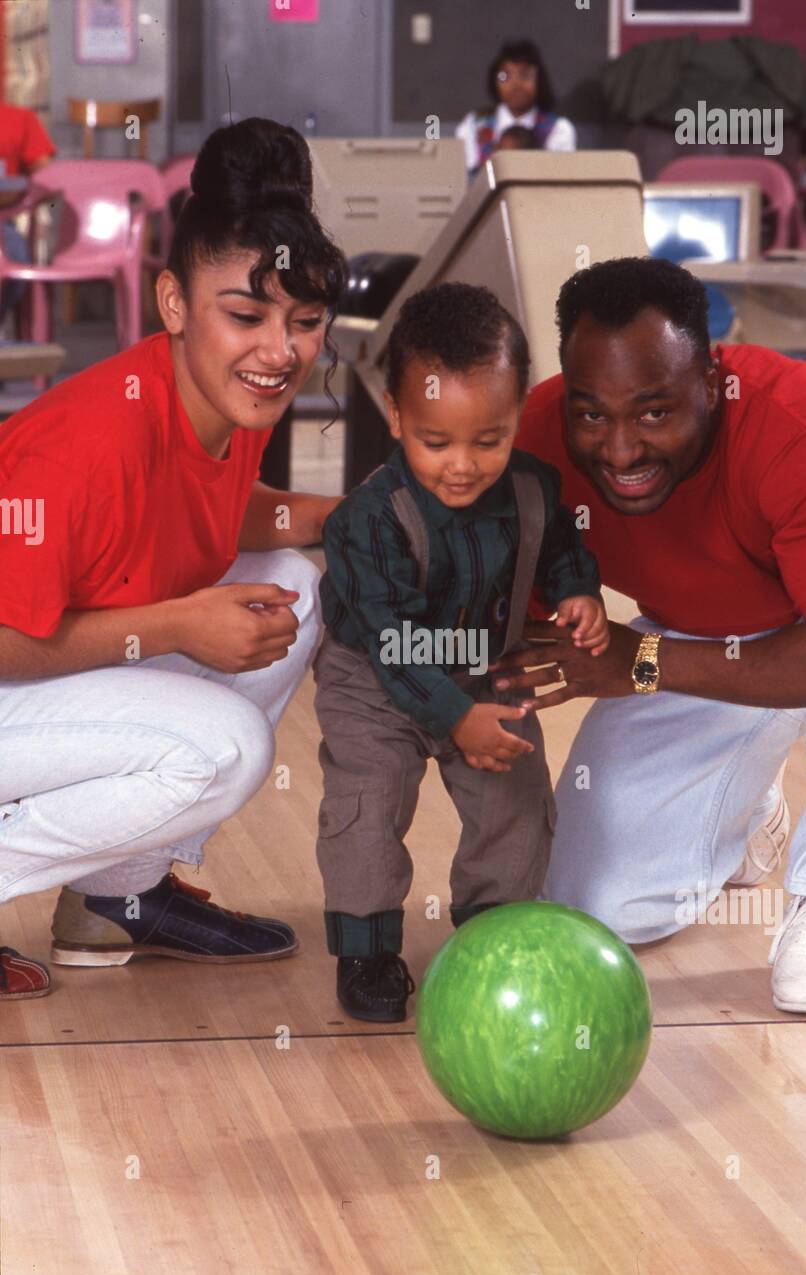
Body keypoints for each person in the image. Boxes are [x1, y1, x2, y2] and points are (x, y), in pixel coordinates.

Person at [0, 117, 346, 997]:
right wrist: (177, 627)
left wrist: (348, 516)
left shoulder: (216, 406)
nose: (279, 352)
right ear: (174, 305)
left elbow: (214, 510)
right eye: (246, 316)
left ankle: (117, 900)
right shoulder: (89, 441)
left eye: (304, 321)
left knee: (293, 588)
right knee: (222, 748)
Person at [489, 257, 806, 1016]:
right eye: (593, 413)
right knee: (597, 905)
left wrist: (642, 661)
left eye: (655, 412)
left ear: (711, 381)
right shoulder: (536, 438)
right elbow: (513, 628)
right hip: (701, 645)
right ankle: (748, 805)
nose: (621, 449)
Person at [313, 283, 605, 1022]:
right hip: (375, 680)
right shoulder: (367, 522)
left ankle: (495, 925)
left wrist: (579, 593)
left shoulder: (535, 488)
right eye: (435, 441)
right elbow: (392, 642)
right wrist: (455, 715)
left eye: (491, 439)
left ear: (516, 419)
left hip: (488, 666)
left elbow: (564, 545)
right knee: (369, 799)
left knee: (514, 794)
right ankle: (369, 948)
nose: (463, 466)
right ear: (395, 416)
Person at [455, 39, 577, 176]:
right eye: (504, 76)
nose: (515, 85)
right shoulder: (474, 124)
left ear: (539, 80)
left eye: (525, 75)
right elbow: (466, 177)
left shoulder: (558, 129)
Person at [0, 100, 56, 327]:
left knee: (12, 254)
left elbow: (47, 180)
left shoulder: (20, 118)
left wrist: (15, 193)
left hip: (3, 221)